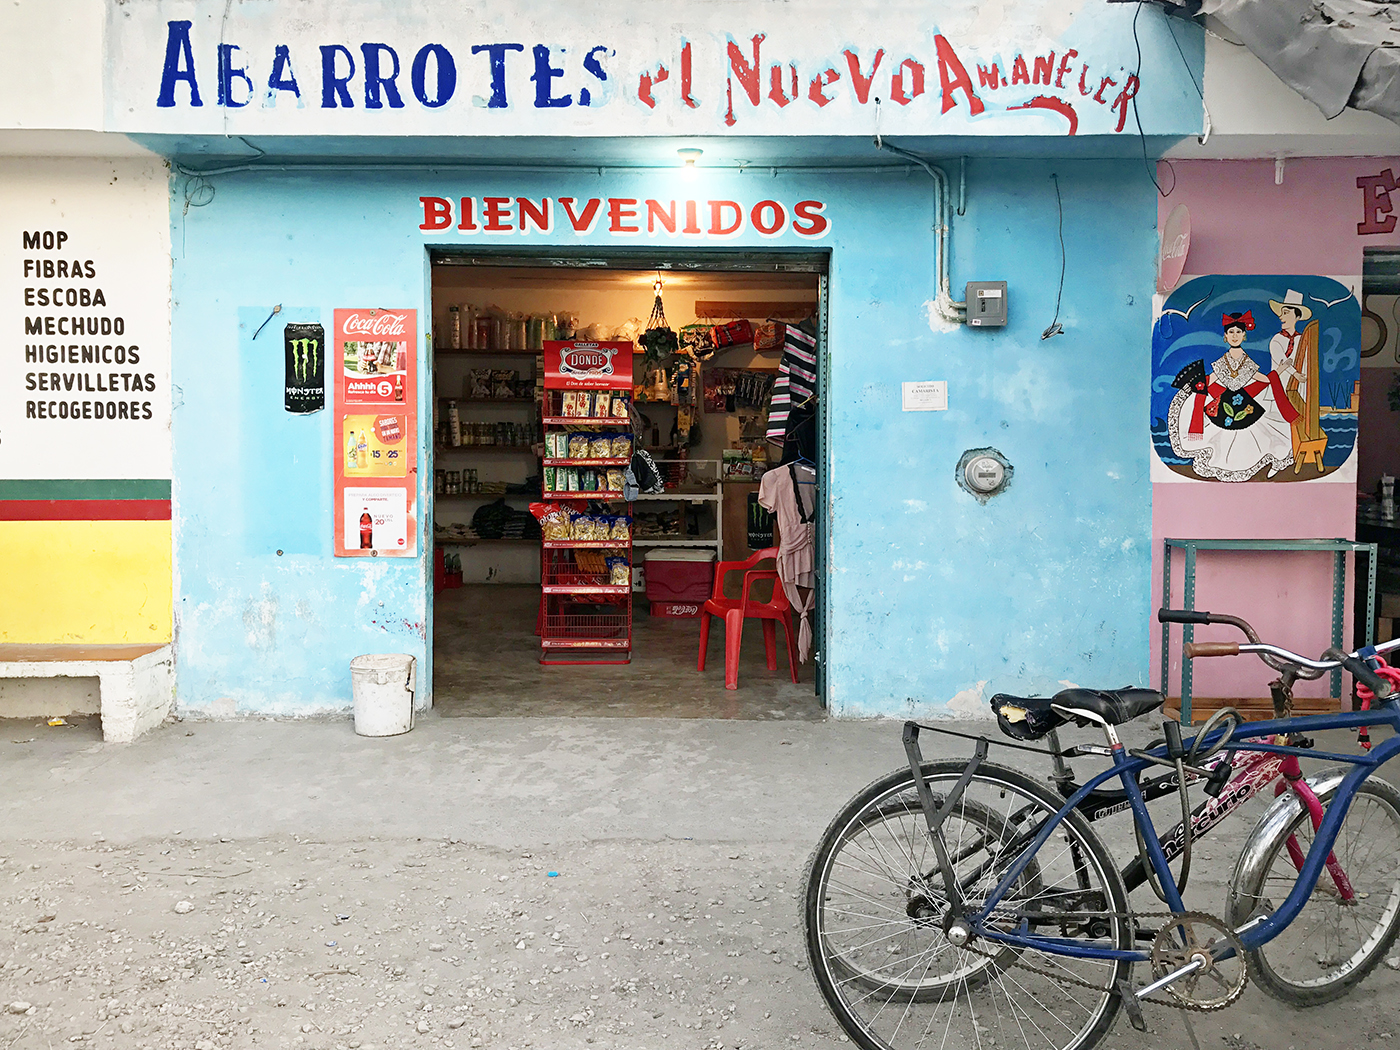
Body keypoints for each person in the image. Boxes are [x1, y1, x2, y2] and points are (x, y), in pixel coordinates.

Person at [1168, 310, 1299, 481]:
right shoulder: (1222, 361)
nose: (1235, 336)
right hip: (1224, 410)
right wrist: (1195, 384)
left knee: (1258, 439)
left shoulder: (1248, 362)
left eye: (1238, 332)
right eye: (1231, 332)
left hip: (1245, 408)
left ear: (1244, 335)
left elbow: (1265, 379)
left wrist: (1280, 370)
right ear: (1225, 336)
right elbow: (1211, 379)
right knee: (1222, 444)